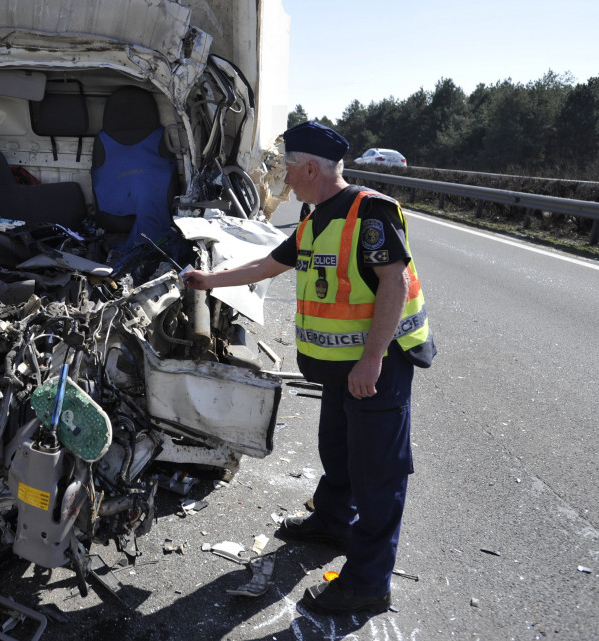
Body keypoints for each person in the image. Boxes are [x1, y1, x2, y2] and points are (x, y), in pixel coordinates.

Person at [182, 121, 435, 616]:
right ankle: (334, 521)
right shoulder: (316, 220)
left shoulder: (371, 212)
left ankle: (367, 583)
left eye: (288, 170)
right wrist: (207, 280)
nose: (284, 180)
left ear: (312, 168)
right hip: (341, 371)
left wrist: (372, 359)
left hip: (375, 367)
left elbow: (393, 285)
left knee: (377, 474)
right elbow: (267, 265)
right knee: (338, 451)